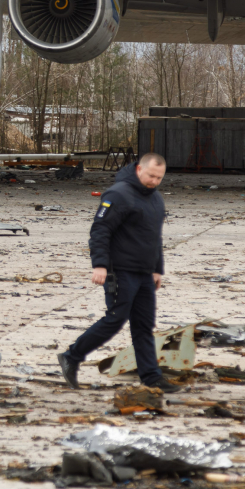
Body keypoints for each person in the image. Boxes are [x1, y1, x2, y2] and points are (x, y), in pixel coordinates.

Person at [57, 152, 180, 393]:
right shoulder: (118, 194)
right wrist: (100, 265)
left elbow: (154, 238)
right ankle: (72, 356)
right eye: (151, 176)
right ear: (139, 169)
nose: (155, 181)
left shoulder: (156, 200)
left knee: (144, 326)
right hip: (120, 271)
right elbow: (100, 230)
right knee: (115, 319)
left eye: (159, 178)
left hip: (144, 273)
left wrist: (157, 270)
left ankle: (151, 377)